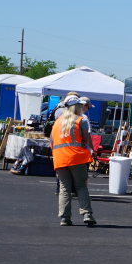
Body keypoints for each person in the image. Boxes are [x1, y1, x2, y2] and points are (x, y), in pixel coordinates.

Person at [51, 95, 97, 227]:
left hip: (60, 158)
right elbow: (85, 139)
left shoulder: (57, 122)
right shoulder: (80, 120)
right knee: (81, 186)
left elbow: (52, 141)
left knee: (64, 188)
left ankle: (64, 218)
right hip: (76, 157)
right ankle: (87, 213)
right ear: (77, 106)